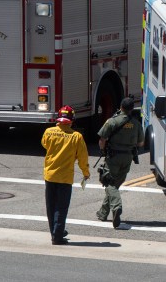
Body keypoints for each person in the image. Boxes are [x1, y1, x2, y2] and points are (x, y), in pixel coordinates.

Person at [42, 105, 89, 245]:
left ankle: (55, 232)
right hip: (65, 178)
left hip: (50, 175)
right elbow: (83, 158)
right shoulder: (76, 137)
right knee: (61, 207)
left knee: (51, 207)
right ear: (72, 120)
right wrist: (86, 173)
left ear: (58, 119)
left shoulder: (48, 132)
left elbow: (44, 144)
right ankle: (57, 236)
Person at [96, 97, 144, 228]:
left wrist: (103, 151)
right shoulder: (136, 123)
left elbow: (102, 139)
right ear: (132, 109)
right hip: (128, 157)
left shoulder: (112, 121)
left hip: (113, 157)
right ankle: (103, 213)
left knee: (109, 183)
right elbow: (141, 143)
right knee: (114, 185)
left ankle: (116, 207)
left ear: (121, 107)